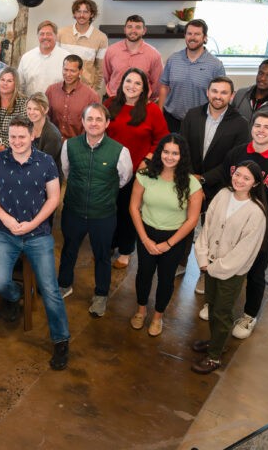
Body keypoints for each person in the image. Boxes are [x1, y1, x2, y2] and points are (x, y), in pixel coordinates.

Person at [0, 117, 69, 371]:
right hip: (5, 231)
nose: (17, 142)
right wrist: (6, 219)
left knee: (50, 289)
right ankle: (15, 295)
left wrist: (32, 224)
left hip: (38, 232)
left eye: (22, 137)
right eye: (12, 137)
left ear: (32, 136)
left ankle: (61, 340)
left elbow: (53, 199)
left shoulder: (46, 162)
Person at [217, 111, 268, 340]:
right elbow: (224, 181)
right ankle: (218, 306)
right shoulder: (237, 152)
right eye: (257, 125)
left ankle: (249, 314)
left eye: (267, 127)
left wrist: (251, 222)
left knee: (256, 272)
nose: (261, 130)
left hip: (260, 228)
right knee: (225, 262)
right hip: (230, 222)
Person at [191, 161, 268, 374]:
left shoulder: (256, 212)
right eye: (238, 175)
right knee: (212, 305)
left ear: (255, 183)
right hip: (211, 265)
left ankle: (215, 356)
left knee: (222, 312)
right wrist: (203, 257)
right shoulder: (223, 194)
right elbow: (207, 227)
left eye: (246, 178)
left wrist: (215, 268)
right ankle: (217, 341)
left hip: (230, 272)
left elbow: (244, 252)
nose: (239, 180)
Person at [57, 103, 134, 317]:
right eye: (89, 119)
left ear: (107, 123)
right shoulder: (69, 146)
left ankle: (101, 295)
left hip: (103, 215)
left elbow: (123, 178)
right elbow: (66, 171)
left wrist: (102, 193)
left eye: (99, 119)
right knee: (69, 250)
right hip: (73, 210)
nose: (94, 123)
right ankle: (64, 284)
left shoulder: (120, 151)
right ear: (82, 122)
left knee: (102, 256)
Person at [129, 134, 203, 336]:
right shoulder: (144, 176)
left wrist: (168, 244)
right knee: (143, 274)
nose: (169, 157)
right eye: (166, 152)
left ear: (182, 156)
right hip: (147, 232)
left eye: (175, 153)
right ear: (159, 152)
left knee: (166, 279)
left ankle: (157, 316)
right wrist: (145, 239)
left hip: (174, 237)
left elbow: (192, 220)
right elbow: (134, 208)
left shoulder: (192, 184)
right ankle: (141, 310)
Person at [106, 67, 169, 268]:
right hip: (109, 169)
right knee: (109, 208)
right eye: (128, 81)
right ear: (121, 83)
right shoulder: (109, 104)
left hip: (136, 170)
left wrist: (147, 159)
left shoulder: (151, 110)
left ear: (144, 89)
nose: (131, 86)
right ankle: (110, 243)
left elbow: (162, 139)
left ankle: (125, 250)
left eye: (137, 83)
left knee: (128, 211)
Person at [181, 76, 251, 207]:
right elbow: (182, 147)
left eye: (224, 92)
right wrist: (191, 177)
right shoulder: (192, 115)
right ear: (207, 92)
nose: (218, 96)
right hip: (188, 180)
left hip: (219, 185)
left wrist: (203, 179)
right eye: (214, 91)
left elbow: (236, 159)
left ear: (232, 95)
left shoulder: (241, 123)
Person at [159, 19, 226, 132]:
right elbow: (164, 87)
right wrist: (160, 114)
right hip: (171, 120)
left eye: (197, 34)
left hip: (200, 122)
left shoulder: (215, 65)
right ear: (185, 36)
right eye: (189, 33)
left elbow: (221, 95)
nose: (192, 37)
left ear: (205, 37)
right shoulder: (173, 59)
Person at [102, 15, 163, 101]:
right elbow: (107, 76)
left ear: (144, 31)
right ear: (125, 29)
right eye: (129, 27)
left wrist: (147, 100)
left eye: (138, 27)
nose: (133, 31)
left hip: (140, 102)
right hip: (113, 99)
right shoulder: (111, 50)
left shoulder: (154, 55)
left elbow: (156, 84)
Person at [57, 0, 108, 94]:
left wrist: (94, 90)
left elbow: (101, 69)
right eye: (78, 11)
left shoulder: (101, 38)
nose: (81, 15)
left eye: (85, 12)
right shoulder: (61, 33)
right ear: (74, 13)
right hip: (61, 89)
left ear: (92, 14)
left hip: (86, 91)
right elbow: (56, 61)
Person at [45, 55, 101, 140]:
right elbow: (45, 118)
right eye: (65, 70)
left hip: (77, 146)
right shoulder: (51, 90)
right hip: (52, 143)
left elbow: (93, 126)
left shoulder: (91, 96)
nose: (68, 74)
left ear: (80, 72)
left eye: (72, 71)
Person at [17, 21, 67, 98]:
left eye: (49, 34)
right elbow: (19, 86)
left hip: (57, 108)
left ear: (56, 36)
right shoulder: (27, 57)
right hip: (31, 107)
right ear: (38, 36)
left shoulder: (66, 58)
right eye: (42, 34)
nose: (45, 37)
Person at [24, 92, 62, 169]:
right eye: (29, 108)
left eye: (36, 109)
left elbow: (43, 164)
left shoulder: (53, 135)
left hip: (46, 175)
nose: (31, 112)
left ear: (46, 110)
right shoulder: (26, 126)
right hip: (26, 167)